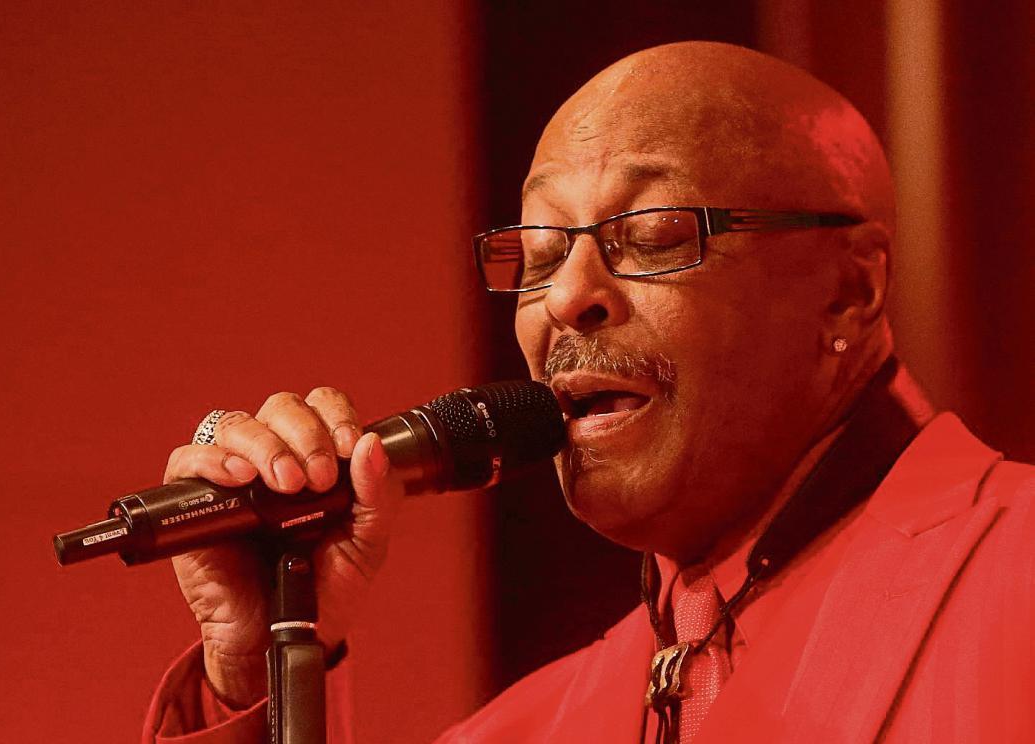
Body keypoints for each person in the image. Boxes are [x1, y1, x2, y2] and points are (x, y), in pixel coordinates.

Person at [142, 42, 1035, 743]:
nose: (567, 296)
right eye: (538, 255)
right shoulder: (527, 728)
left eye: (651, 236)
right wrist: (260, 675)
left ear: (848, 290)